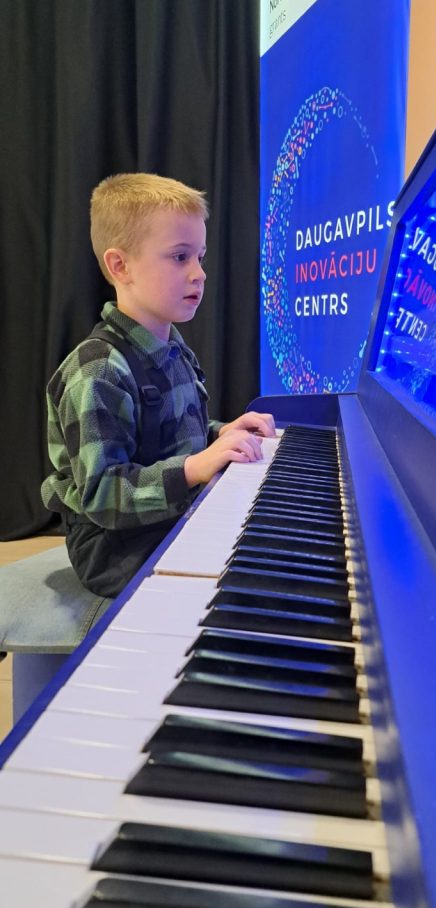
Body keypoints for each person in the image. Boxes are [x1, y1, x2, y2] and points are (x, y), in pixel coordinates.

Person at [41, 172, 275, 598]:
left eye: (200, 257)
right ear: (120, 266)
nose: (199, 274)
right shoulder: (97, 370)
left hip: (168, 514)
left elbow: (174, 435)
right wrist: (195, 468)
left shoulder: (173, 349)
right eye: (180, 257)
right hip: (114, 547)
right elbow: (103, 493)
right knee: (246, 580)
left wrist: (222, 433)